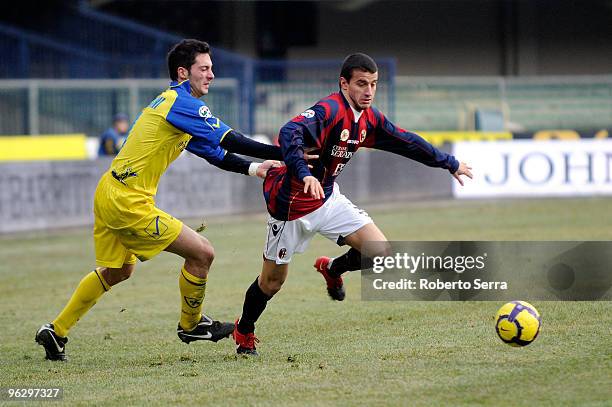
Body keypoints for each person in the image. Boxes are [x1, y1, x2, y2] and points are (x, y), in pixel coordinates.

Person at [35, 39, 287, 361]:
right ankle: (191, 325)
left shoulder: (174, 106)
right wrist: (285, 152)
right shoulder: (181, 103)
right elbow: (230, 138)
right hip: (128, 202)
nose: (211, 75)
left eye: (212, 68)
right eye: (204, 68)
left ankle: (55, 332)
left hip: (110, 193)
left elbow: (218, 154)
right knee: (202, 253)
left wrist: (256, 169)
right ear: (184, 72)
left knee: (117, 272)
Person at [232, 53, 473, 356]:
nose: (369, 91)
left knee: (380, 251)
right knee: (272, 283)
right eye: (361, 84)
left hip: (329, 198)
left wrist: (448, 162)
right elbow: (289, 132)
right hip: (291, 208)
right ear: (344, 84)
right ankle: (244, 330)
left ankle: (333, 268)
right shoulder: (330, 109)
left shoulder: (369, 119)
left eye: (373, 84)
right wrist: (304, 172)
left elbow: (405, 140)